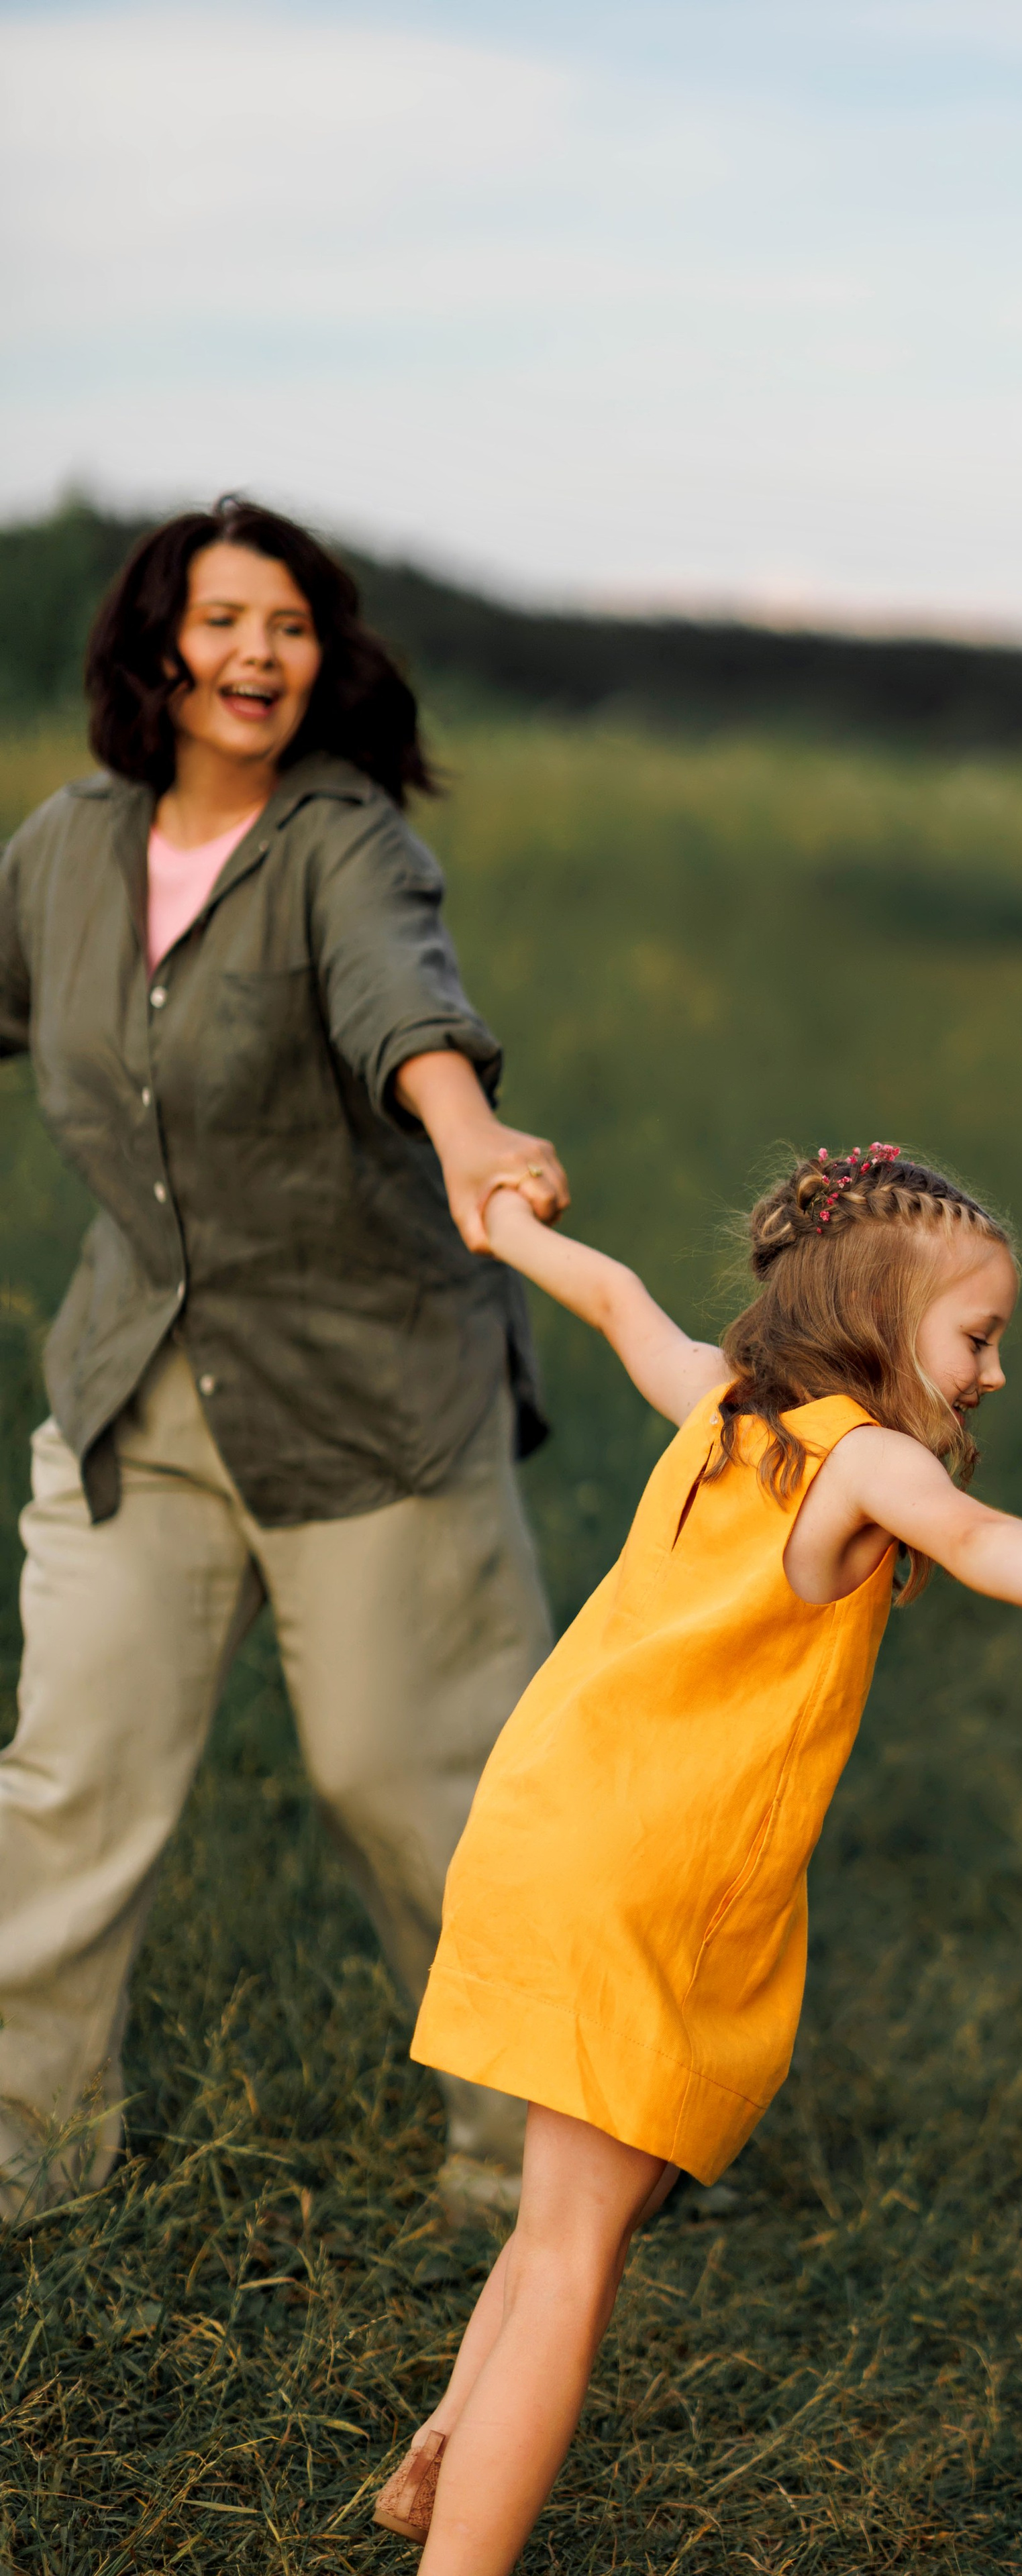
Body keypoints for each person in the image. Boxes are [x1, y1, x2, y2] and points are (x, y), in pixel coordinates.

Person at [366, 1142, 1022, 2567]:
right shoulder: (864, 1465)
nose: (991, 1371)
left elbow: (613, 1303)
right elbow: (972, 1534)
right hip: (651, 1883)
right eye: (976, 1337)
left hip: (552, 1823)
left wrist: (508, 1231)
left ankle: (445, 2448)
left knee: (568, 2211)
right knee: (576, 2255)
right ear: (872, 1317)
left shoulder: (726, 1407)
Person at [0, 497, 569, 2220]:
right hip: (140, 1389)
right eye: (224, 619)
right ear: (154, 647)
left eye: (292, 625)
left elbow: (405, 1004)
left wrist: (467, 1136)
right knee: (67, 1779)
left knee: (411, 1785)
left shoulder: (346, 846)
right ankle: (26, 2154)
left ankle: (543, 2157)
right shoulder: (65, 848)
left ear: (326, 659)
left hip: (369, 1395)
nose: (258, 654)